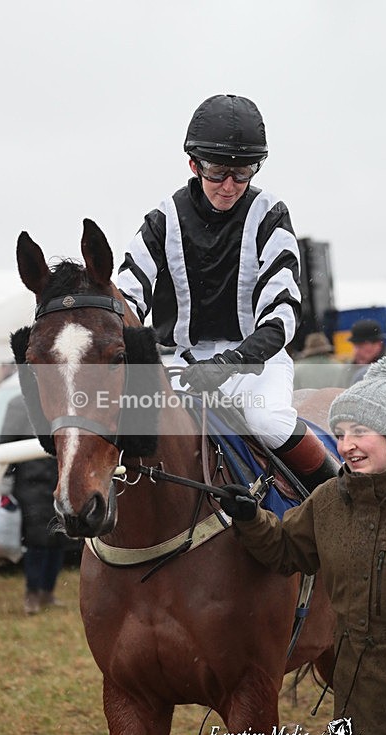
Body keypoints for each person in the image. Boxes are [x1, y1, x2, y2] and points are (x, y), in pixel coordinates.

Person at [117, 93, 336, 490]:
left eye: (243, 172)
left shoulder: (270, 213)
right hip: (184, 364)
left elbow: (283, 313)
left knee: (268, 421)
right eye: (218, 172)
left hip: (256, 362)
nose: (230, 186)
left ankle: (339, 495)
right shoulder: (163, 219)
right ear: (194, 164)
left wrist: (232, 361)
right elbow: (127, 299)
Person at [218, 357, 386, 735]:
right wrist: (250, 518)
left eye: (360, 432)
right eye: (340, 433)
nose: (345, 445)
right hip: (356, 720)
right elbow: (285, 551)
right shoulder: (329, 500)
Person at [0, 394, 67, 615]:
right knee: (37, 540)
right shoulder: (19, 404)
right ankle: (32, 593)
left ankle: (47, 591)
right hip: (30, 483)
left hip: (60, 479)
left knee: (59, 538)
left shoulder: (66, 397)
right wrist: (4, 485)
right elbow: (5, 444)